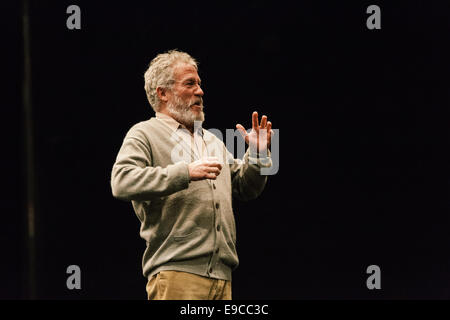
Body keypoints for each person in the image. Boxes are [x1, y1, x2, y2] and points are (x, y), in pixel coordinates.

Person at [110, 50, 273, 300]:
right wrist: (185, 172)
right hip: (177, 275)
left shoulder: (212, 141)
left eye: (199, 84)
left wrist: (258, 154)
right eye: (190, 84)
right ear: (163, 93)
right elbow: (122, 181)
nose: (200, 92)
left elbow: (245, 188)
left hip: (222, 278)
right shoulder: (144, 133)